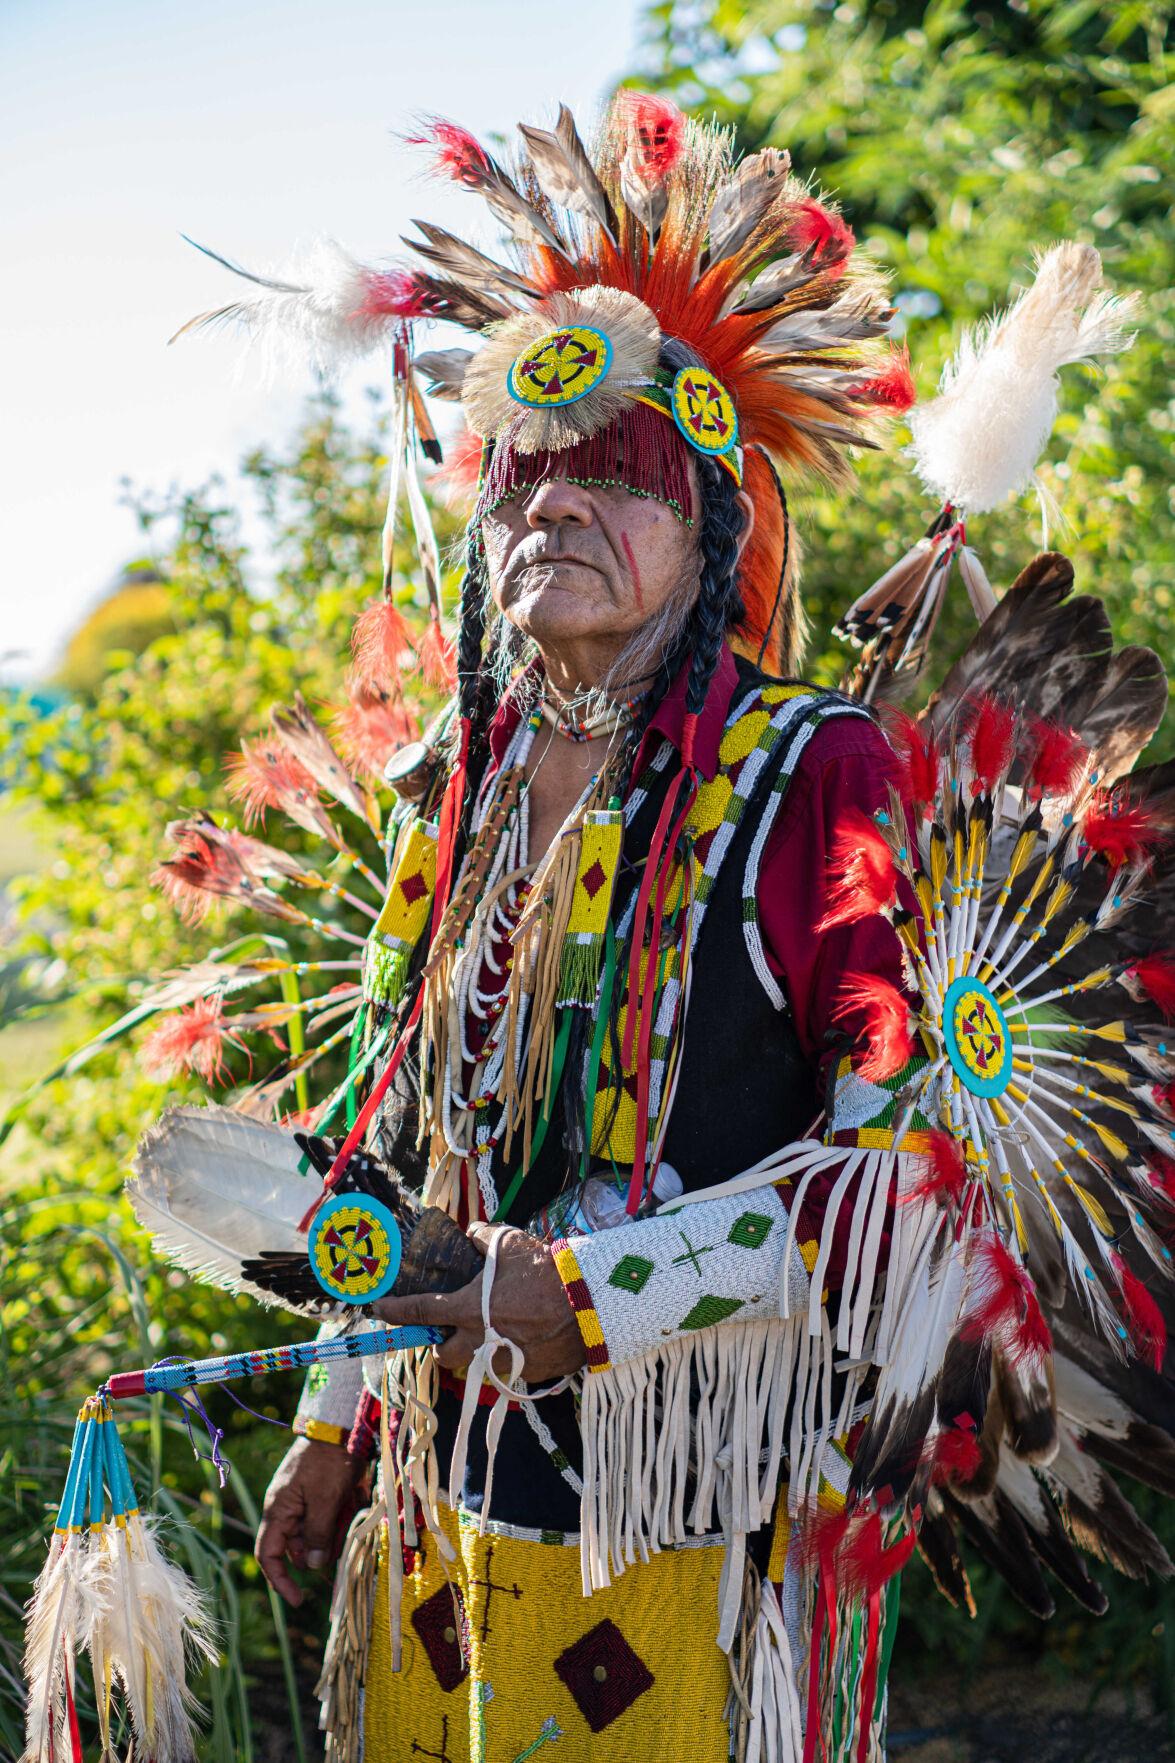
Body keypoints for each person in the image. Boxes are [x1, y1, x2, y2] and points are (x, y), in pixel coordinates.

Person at [106, 91, 1175, 1763]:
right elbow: (399, 1126)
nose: (557, 513)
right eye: (528, 479)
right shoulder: (450, 792)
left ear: (709, 539)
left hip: (695, 1499)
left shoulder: (811, 775)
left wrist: (588, 1294)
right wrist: (329, 1415)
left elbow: (886, 1177)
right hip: (438, 1481)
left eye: (621, 486)